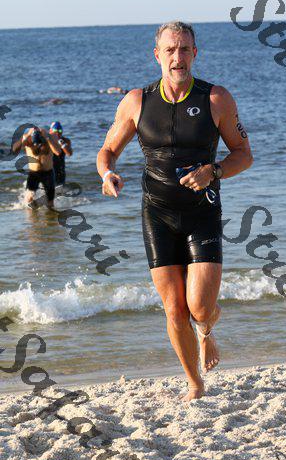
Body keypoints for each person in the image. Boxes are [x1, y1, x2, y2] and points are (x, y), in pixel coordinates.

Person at [97, 21, 253, 401]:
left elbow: (243, 155)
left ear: (194, 53)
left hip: (202, 212)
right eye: (170, 50)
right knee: (174, 310)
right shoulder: (137, 101)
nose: (177, 57)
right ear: (158, 55)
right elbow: (108, 150)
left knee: (199, 308)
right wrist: (106, 173)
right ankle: (195, 382)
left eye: (184, 49)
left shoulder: (216, 99)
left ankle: (207, 328)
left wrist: (214, 171)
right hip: (158, 213)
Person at [13, 126, 62, 209]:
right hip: (34, 173)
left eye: (40, 142)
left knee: (50, 202)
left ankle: (50, 216)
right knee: (29, 199)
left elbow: (58, 152)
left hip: (48, 173)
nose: (38, 145)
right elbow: (15, 150)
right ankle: (31, 215)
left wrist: (47, 138)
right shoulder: (28, 139)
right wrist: (26, 136)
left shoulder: (50, 137)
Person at [49, 121, 73, 186]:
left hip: (60, 168)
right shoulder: (48, 141)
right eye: (55, 130)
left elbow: (69, 153)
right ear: (50, 131)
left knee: (61, 185)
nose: (57, 133)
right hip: (50, 168)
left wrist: (61, 143)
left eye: (60, 130)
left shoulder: (65, 141)